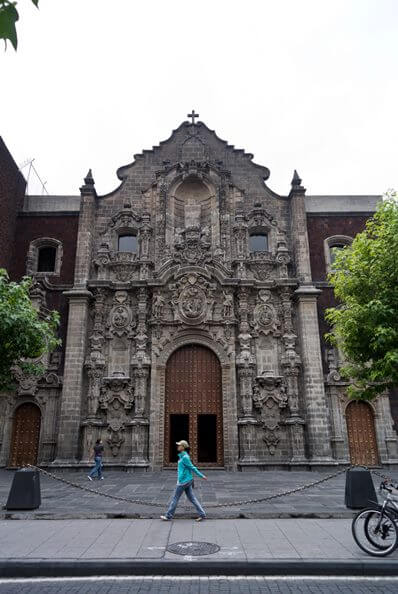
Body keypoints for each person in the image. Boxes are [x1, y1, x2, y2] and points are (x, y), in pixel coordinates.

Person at [161, 440, 207, 522]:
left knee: (175, 498)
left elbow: (192, 467)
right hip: (187, 480)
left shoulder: (185, 457)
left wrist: (201, 475)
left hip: (183, 481)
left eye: (179, 445)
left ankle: (168, 516)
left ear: (183, 447)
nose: (177, 446)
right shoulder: (182, 456)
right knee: (192, 498)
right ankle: (202, 514)